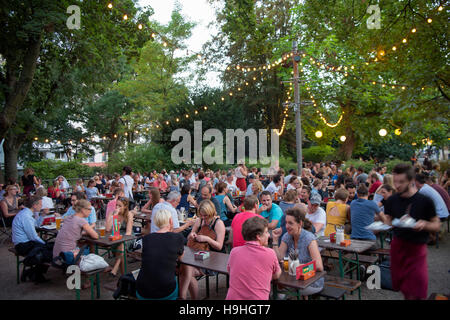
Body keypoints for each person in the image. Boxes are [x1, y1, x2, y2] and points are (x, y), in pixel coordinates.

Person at [380, 163, 441, 300]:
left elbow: (436, 225)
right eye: (395, 181)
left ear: (411, 181)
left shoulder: (424, 201)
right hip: (397, 248)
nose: (397, 185)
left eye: (401, 182)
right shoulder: (392, 200)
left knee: (417, 291)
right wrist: (379, 220)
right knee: (403, 288)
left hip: (416, 250)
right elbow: (388, 221)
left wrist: (424, 224)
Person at [272, 207, 324, 298]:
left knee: (279, 292)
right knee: (275, 291)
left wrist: (297, 266)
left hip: (311, 282)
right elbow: (279, 257)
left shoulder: (309, 238)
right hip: (293, 279)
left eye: (290, 223)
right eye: (286, 222)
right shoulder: (287, 236)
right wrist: (275, 240)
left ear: (300, 223)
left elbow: (319, 266)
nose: (287, 226)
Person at [179, 200, 226, 300]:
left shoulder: (218, 224)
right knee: (185, 269)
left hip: (213, 259)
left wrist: (207, 239)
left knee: (185, 272)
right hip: (197, 254)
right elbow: (189, 237)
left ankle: (183, 297)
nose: (204, 218)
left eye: (206, 216)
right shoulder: (199, 220)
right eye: (201, 215)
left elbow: (219, 247)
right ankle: (185, 297)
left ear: (212, 213)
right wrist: (191, 235)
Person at [226, 217, 281, 300]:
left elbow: (230, 271)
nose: (269, 235)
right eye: (266, 232)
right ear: (258, 236)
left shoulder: (234, 251)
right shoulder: (270, 253)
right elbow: (276, 275)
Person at [136, 209, 184, 300]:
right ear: (170, 221)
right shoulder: (177, 238)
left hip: (142, 290)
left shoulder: (146, 239)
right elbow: (181, 258)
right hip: (166, 290)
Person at [12, 196, 52, 283]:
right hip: (22, 245)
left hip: (25, 243)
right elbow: (33, 237)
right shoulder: (26, 216)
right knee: (49, 250)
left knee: (50, 247)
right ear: (34, 205)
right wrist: (45, 243)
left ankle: (35, 274)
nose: (41, 206)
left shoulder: (27, 214)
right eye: (40, 204)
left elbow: (36, 225)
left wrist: (43, 215)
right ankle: (33, 273)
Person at [415, 173, 449, 244]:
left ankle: (432, 237)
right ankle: (434, 235)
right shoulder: (426, 186)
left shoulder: (422, 190)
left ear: (416, 182)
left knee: (417, 218)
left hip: (440, 215)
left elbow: (417, 205)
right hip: (444, 212)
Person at [106, 197, 135, 277]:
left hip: (127, 237)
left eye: (120, 206)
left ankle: (115, 268)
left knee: (121, 245)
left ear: (125, 206)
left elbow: (128, 232)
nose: (117, 208)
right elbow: (108, 229)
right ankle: (123, 275)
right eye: (116, 205)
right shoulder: (112, 213)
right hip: (116, 236)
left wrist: (119, 238)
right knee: (121, 248)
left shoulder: (129, 214)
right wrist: (114, 216)